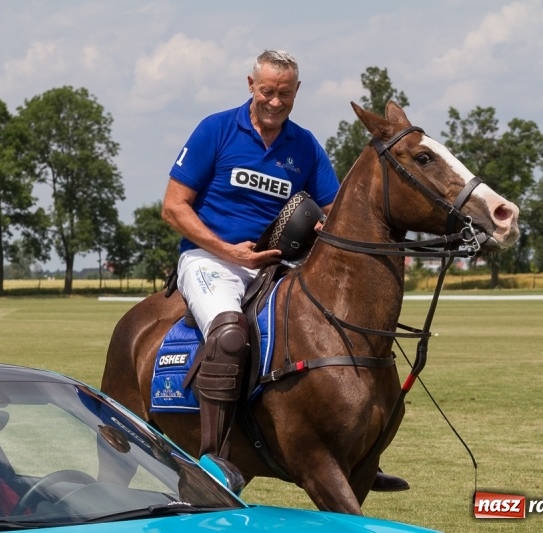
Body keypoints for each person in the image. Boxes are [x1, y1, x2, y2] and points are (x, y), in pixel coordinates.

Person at [162, 49, 408, 491]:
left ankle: (361, 452)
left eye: (285, 94)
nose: (275, 102)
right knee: (230, 333)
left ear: (297, 92)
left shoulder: (304, 145)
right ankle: (213, 459)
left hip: (278, 264)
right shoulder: (216, 130)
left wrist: (328, 227)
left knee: (339, 329)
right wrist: (230, 251)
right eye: (267, 92)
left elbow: (335, 209)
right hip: (212, 260)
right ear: (251, 85)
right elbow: (173, 207)